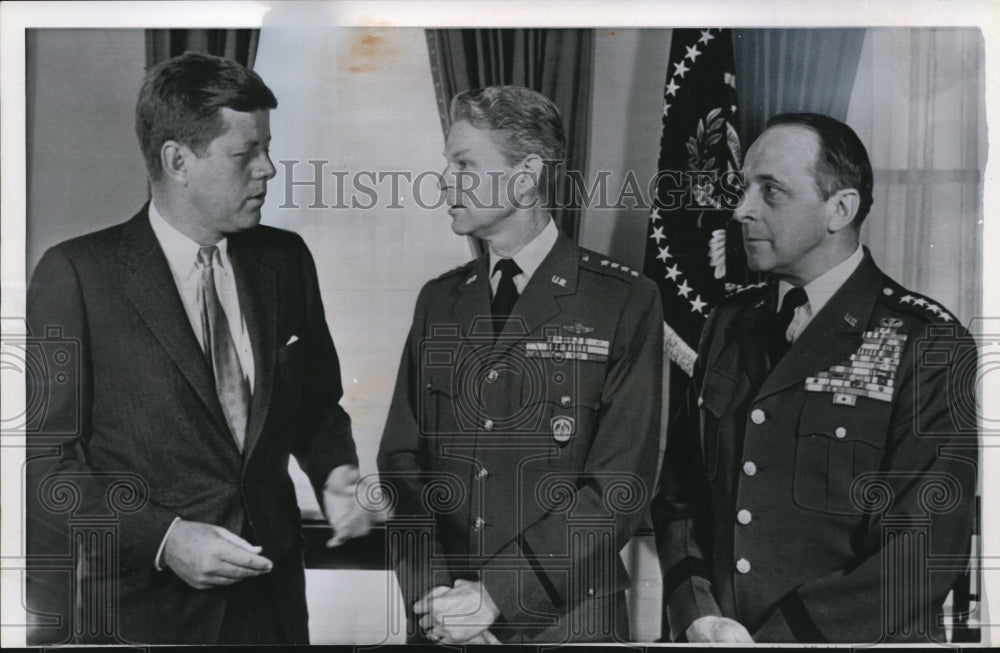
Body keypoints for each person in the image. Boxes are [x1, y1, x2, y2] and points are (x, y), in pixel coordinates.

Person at [25, 52, 371, 645]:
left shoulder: (285, 261)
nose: (269, 169)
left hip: (274, 609)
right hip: (141, 616)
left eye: (268, 148)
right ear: (177, 160)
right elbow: (46, 468)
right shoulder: (76, 275)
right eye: (246, 154)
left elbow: (314, 407)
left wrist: (336, 471)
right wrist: (164, 539)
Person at [651, 112, 978, 643]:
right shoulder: (729, 324)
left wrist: (779, 641)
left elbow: (921, 553)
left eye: (771, 191)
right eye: (744, 188)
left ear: (840, 209)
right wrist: (697, 613)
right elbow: (681, 498)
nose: (740, 210)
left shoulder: (929, 342)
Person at [377, 86, 663, 644]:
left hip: (567, 623)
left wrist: (495, 597)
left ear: (526, 175)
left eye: (464, 164)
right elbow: (401, 462)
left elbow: (618, 488)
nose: (445, 181)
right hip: (442, 620)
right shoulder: (440, 300)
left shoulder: (623, 301)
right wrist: (438, 600)